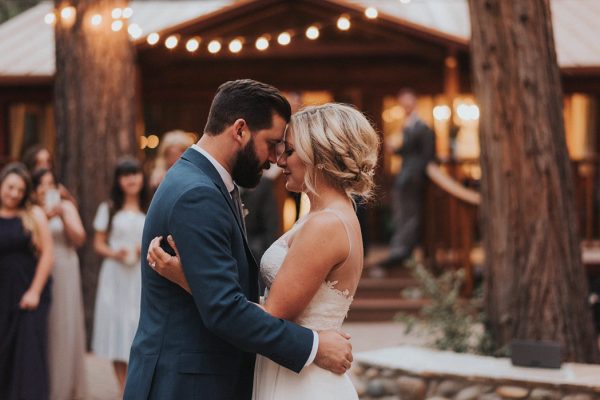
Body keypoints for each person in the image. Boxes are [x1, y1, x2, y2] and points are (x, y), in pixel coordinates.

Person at [124, 80, 353, 400]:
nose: (276, 158)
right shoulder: (198, 194)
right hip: (184, 384)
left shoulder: (208, 182)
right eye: (272, 143)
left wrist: (194, 283)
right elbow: (224, 310)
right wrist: (313, 346)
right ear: (240, 130)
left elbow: (222, 296)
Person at [92, 157, 148, 392]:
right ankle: (123, 389)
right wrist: (116, 253)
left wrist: (140, 249)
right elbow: (98, 244)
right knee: (115, 328)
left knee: (136, 326)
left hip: (139, 275)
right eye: (125, 175)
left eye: (134, 173)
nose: (131, 179)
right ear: (118, 180)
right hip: (115, 276)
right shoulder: (109, 208)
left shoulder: (150, 207)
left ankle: (135, 386)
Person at [32, 168, 87, 400]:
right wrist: (43, 217)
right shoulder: (31, 210)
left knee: (63, 325)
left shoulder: (66, 207)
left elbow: (80, 239)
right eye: (41, 184)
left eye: (50, 183)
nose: (46, 188)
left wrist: (62, 216)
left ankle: (63, 389)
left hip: (64, 268)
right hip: (37, 270)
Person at [0, 163, 54, 400]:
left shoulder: (33, 215)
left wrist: (34, 291)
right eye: (10, 187)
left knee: (28, 357)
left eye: (20, 190)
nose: (14, 194)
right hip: (2, 293)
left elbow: (47, 255)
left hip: (27, 293)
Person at [379, 88, 436, 269]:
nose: (405, 105)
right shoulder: (407, 125)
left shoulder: (422, 126)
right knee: (401, 213)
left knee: (409, 214)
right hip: (404, 177)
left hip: (412, 179)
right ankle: (400, 249)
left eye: (407, 102)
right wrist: (395, 150)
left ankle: (404, 251)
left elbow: (426, 155)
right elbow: (408, 151)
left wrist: (414, 175)